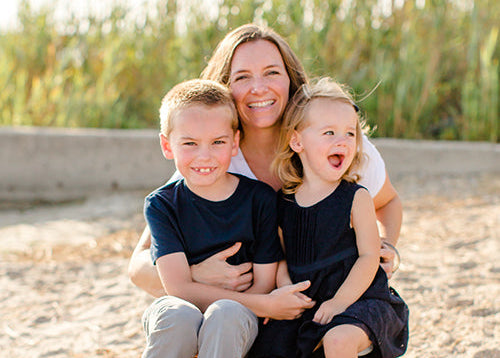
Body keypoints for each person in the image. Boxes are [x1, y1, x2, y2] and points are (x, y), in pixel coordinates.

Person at [128, 23, 403, 300]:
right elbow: (138, 266)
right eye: (243, 77)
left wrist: (388, 247)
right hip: (248, 309)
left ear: (290, 79)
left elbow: (388, 202)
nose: (259, 88)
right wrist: (193, 274)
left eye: (272, 73)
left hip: (328, 300)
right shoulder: (213, 158)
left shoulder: (335, 143)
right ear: (223, 89)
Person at [142, 78, 315, 358]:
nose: (204, 156)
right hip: (183, 307)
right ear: (167, 145)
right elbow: (178, 288)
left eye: (217, 142)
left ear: (235, 142)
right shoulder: (162, 204)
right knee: (177, 314)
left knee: (226, 313)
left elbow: (263, 280)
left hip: (237, 314)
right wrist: (265, 305)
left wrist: (251, 302)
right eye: (189, 143)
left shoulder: (259, 199)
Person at [249, 78, 409, 358]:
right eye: (329, 133)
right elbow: (284, 257)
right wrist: (287, 287)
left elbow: (369, 257)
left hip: (358, 299)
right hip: (309, 302)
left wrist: (339, 303)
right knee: (268, 344)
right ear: (296, 140)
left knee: (337, 340)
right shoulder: (283, 202)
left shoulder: (355, 197)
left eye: (350, 133)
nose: (342, 141)